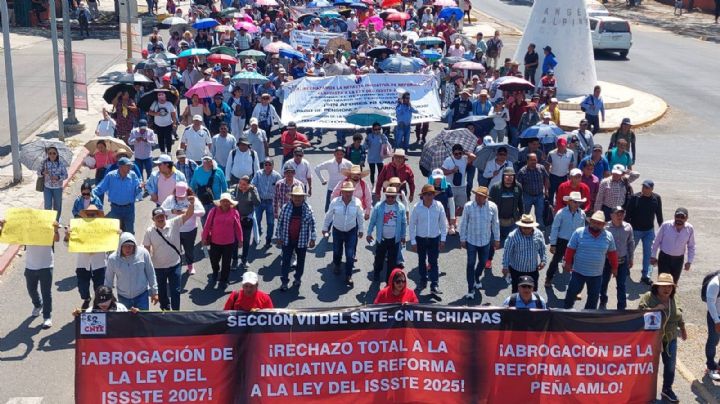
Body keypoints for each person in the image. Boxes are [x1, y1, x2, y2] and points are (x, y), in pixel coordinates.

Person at [638, 273, 686, 403]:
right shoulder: (649, 297)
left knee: (670, 367)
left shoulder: (674, 298)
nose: (667, 289)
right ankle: (644, 392)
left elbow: (679, 315)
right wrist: (654, 309)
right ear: (657, 287)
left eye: (670, 286)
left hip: (669, 338)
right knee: (648, 366)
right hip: (650, 340)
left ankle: (667, 389)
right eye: (664, 286)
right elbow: (638, 315)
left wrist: (683, 329)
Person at [142, 198, 196, 311]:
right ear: (153, 219)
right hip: (158, 268)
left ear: (165, 216)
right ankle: (165, 312)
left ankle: (176, 312)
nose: (160, 218)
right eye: (158, 217)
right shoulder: (149, 231)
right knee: (162, 292)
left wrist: (191, 203)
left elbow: (189, 214)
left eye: (162, 216)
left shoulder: (175, 223)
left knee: (175, 291)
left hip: (174, 265)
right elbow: (146, 250)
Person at [563, 211, 618, 309]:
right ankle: (567, 313)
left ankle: (588, 318)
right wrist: (567, 262)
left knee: (593, 298)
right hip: (578, 271)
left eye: (599, 223)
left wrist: (614, 267)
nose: (596, 225)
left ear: (603, 225)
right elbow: (570, 249)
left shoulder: (608, 236)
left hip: (596, 274)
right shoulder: (579, 232)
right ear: (590, 221)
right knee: (571, 294)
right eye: (594, 222)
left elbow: (612, 253)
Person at [459, 186, 500, 299]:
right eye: (477, 195)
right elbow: (464, 223)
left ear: (486, 198)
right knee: (470, 264)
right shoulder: (468, 206)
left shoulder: (492, 207)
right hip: (471, 241)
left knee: (482, 262)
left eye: (481, 196)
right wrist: (462, 238)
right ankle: (470, 288)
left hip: (485, 241)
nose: (478, 197)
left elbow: (495, 224)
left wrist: (497, 239)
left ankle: (477, 277)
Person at [275, 186, 317, 291]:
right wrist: (278, 237)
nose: (297, 199)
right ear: (292, 197)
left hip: (301, 241)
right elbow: (279, 223)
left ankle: (297, 278)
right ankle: (284, 281)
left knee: (301, 262)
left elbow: (313, 225)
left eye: (300, 197)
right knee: (285, 261)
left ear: (303, 197)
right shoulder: (285, 208)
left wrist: (313, 238)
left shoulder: (308, 209)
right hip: (287, 239)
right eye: (295, 197)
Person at [323, 181, 365, 286]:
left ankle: (348, 275)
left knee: (350, 255)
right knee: (337, 251)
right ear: (341, 191)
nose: (348, 194)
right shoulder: (335, 202)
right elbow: (328, 215)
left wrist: (361, 230)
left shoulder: (357, 202)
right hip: (337, 230)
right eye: (346, 191)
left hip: (351, 231)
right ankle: (337, 265)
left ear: (353, 192)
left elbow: (360, 217)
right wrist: (325, 228)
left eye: (350, 192)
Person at [409, 184, 448, 294]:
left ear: (434, 195)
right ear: (423, 196)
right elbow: (412, 225)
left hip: (434, 238)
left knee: (433, 261)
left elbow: (443, 223)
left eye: (431, 194)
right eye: (426, 194)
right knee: (421, 260)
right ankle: (422, 281)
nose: (429, 196)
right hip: (420, 238)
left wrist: (443, 239)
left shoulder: (439, 206)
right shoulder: (417, 207)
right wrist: (413, 241)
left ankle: (434, 284)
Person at [105, 232, 159, 310]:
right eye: (125, 246)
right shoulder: (112, 259)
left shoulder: (143, 253)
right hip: (123, 297)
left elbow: (151, 273)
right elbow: (108, 279)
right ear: (120, 246)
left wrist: (155, 292)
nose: (128, 249)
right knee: (126, 321)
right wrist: (108, 296)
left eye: (130, 246)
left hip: (141, 295)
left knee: (143, 320)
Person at [625, 179, 663, 285]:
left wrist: (662, 229)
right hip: (635, 230)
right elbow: (628, 215)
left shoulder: (657, 198)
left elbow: (659, 214)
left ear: (652, 189)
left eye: (647, 188)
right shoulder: (635, 198)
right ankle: (626, 269)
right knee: (630, 251)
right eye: (643, 187)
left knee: (649, 254)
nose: (644, 189)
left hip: (649, 231)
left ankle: (646, 275)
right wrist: (625, 229)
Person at [161, 182, 204, 274]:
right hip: (174, 229)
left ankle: (190, 266)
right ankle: (177, 267)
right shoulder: (170, 199)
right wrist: (172, 211)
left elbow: (202, 212)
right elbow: (161, 210)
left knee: (189, 249)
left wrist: (189, 212)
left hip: (190, 230)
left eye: (182, 195)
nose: (179, 197)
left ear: (187, 191)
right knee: (175, 250)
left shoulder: (193, 199)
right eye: (178, 195)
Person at [367, 186, 407, 283]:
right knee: (379, 258)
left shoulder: (401, 207)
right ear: (386, 196)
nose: (390, 199)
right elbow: (373, 220)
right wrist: (369, 233)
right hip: (382, 238)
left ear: (395, 197)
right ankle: (377, 272)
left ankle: (389, 278)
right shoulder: (379, 206)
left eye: (392, 197)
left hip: (395, 239)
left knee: (392, 261)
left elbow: (403, 222)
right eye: (388, 196)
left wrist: (403, 236)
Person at [202, 193, 243, 288]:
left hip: (229, 242)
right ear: (220, 202)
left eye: (227, 201)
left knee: (226, 262)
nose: (225, 203)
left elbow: (238, 227)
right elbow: (207, 225)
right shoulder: (213, 211)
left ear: (230, 203)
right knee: (214, 260)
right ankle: (215, 271)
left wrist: (240, 240)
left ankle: (224, 279)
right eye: (223, 201)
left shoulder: (234, 212)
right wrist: (204, 238)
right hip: (215, 241)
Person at [546, 192, 586, 287]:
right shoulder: (561, 213)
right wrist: (553, 244)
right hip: (562, 241)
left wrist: (582, 243)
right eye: (575, 202)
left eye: (578, 202)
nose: (577, 204)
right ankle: (548, 278)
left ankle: (575, 285)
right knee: (555, 260)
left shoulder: (582, 214)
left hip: (575, 242)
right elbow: (555, 228)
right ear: (569, 202)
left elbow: (582, 229)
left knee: (574, 263)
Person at [93, 157, 142, 233]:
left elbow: (137, 189)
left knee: (129, 232)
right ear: (121, 166)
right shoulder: (111, 176)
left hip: (129, 209)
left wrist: (140, 187)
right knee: (114, 232)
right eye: (128, 166)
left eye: (130, 166)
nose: (130, 168)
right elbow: (100, 189)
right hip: (115, 209)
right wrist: (89, 195)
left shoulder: (133, 175)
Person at [599, 206, 634, 310]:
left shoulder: (628, 227)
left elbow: (630, 243)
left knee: (621, 285)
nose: (620, 216)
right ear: (611, 215)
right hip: (607, 262)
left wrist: (631, 258)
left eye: (622, 213)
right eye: (617, 214)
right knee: (603, 283)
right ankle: (603, 301)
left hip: (622, 261)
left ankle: (621, 308)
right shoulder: (605, 228)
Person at [502, 214, 546, 293]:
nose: (526, 230)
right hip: (517, 271)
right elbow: (507, 252)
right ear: (520, 226)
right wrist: (505, 267)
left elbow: (542, 248)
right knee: (516, 292)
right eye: (524, 227)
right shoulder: (513, 236)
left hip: (532, 270)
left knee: (533, 292)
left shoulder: (539, 234)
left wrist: (543, 260)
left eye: (529, 228)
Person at [650, 207, 695, 284]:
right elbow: (656, 242)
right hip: (664, 258)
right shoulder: (665, 225)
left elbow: (691, 246)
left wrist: (689, 261)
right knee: (663, 282)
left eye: (682, 217)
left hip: (678, 260)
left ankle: (671, 296)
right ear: (674, 216)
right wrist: (653, 256)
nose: (679, 219)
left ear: (686, 218)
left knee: (674, 282)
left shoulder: (690, 229)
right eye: (677, 216)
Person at [441, 144, 476, 220]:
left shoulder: (464, 159)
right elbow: (442, 171)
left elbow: (474, 157)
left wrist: (465, 152)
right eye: (456, 154)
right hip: (451, 187)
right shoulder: (448, 160)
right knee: (450, 207)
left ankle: (453, 217)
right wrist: (452, 171)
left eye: (460, 153)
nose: (458, 155)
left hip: (462, 187)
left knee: (463, 207)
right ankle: (451, 222)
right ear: (453, 153)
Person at [190, 156, 228, 224]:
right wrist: (193, 197)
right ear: (202, 162)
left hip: (215, 202)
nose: (206, 163)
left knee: (215, 221)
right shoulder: (197, 170)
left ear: (212, 162)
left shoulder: (219, 171)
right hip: (202, 201)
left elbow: (224, 186)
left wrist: (225, 200)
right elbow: (193, 185)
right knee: (204, 221)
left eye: (208, 161)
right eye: (205, 161)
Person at [233, 176, 260, 269]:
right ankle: (234, 260)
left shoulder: (253, 190)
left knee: (246, 240)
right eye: (240, 183)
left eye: (244, 184)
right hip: (236, 219)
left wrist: (252, 191)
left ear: (249, 184)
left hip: (247, 219)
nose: (241, 186)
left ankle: (244, 259)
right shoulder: (236, 188)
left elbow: (257, 203)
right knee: (235, 240)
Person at [516, 153, 549, 227]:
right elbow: (518, 185)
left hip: (539, 195)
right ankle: (523, 229)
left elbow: (546, 178)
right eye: (531, 160)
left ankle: (540, 231)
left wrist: (546, 190)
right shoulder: (522, 171)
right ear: (527, 161)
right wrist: (519, 196)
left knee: (539, 215)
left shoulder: (541, 168)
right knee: (525, 215)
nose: (534, 161)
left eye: (535, 160)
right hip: (527, 196)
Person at [316, 147, 353, 212]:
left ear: (344, 155)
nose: (339, 156)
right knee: (328, 209)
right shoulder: (329, 163)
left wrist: (351, 181)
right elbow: (317, 169)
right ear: (334, 154)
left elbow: (355, 171)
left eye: (341, 154)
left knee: (343, 209)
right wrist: (322, 180)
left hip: (344, 190)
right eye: (337, 154)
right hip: (331, 188)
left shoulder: (347, 163)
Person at [39, 146, 68, 221]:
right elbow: (38, 173)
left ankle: (56, 221)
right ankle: (48, 221)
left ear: (57, 154)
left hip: (58, 188)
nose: (52, 155)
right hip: (47, 188)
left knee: (57, 206)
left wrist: (58, 177)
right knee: (47, 206)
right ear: (47, 154)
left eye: (54, 153)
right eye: (50, 153)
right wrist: (43, 172)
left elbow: (65, 175)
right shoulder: (44, 163)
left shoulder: (60, 164)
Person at [547, 137, 575, 205]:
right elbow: (547, 166)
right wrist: (547, 179)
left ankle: (559, 208)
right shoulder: (551, 153)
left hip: (564, 177)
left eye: (563, 145)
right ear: (557, 145)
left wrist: (570, 177)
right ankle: (549, 210)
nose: (561, 147)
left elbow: (571, 165)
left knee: (562, 195)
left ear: (566, 145)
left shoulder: (571, 153)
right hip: (553, 177)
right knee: (550, 195)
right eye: (559, 145)